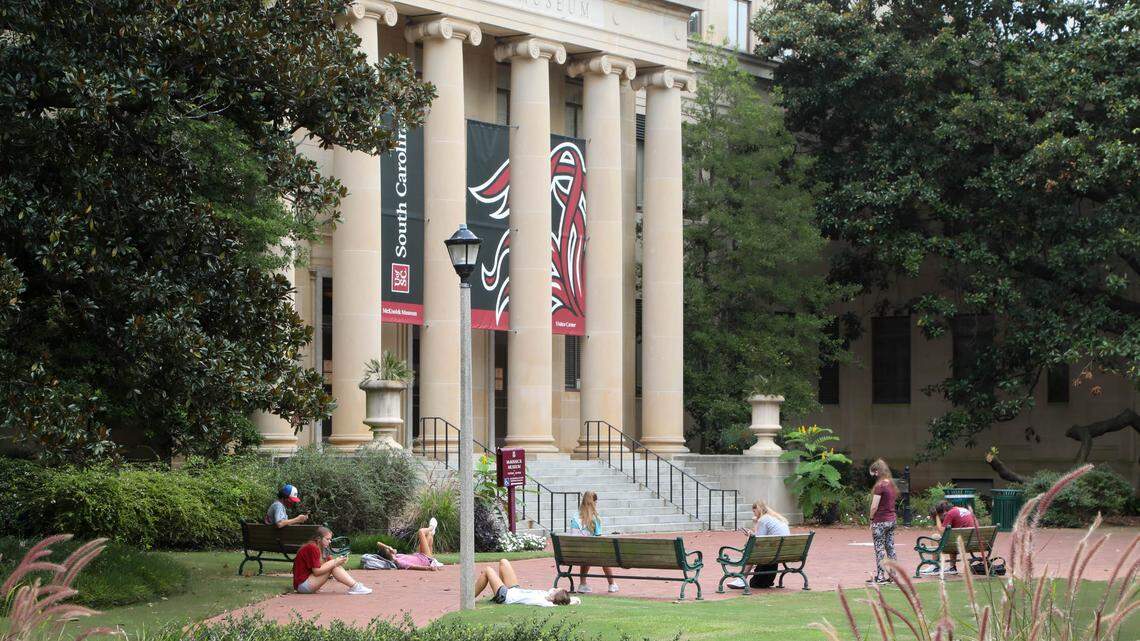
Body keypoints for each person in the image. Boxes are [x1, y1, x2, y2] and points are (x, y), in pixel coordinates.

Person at [727, 500, 791, 590]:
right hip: (785, 552)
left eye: (754, 511)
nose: (754, 514)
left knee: (751, 551)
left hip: (774, 551)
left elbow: (757, 540)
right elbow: (762, 537)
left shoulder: (763, 519)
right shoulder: (777, 518)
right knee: (753, 550)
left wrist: (752, 530)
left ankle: (741, 579)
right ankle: (742, 578)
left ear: (758, 510)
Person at [292, 526, 372, 595]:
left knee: (334, 564)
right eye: (327, 539)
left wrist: (340, 561)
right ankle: (355, 587)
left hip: (309, 581)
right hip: (302, 585)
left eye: (330, 539)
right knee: (334, 565)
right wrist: (335, 563)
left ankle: (355, 586)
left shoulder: (324, 548)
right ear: (319, 539)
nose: (330, 541)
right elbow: (317, 572)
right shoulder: (312, 547)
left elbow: (330, 565)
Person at [474, 558, 578, 607]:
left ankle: (468, 599)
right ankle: (497, 590)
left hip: (506, 596)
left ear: (553, 598)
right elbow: (571, 600)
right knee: (504, 562)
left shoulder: (544, 602)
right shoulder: (548, 595)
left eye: (555, 590)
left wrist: (564, 603)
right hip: (515, 590)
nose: (554, 589)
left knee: (487, 570)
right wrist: (570, 601)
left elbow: (556, 604)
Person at [568, 491, 617, 593]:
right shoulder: (595, 519)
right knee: (603, 555)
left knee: (586, 552)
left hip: (574, 553)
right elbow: (598, 539)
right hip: (589, 553)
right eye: (596, 502)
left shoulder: (575, 517)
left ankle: (582, 584)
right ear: (593, 502)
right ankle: (612, 584)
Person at [921, 500, 978, 575]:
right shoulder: (963, 509)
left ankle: (935, 566)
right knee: (953, 537)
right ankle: (952, 568)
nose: (942, 516)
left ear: (944, 511)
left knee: (935, 536)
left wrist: (937, 517)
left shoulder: (950, 513)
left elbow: (942, 532)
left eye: (940, 513)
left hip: (961, 544)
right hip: (973, 543)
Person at [867, 459, 899, 584]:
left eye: (874, 473)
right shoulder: (891, 484)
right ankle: (893, 575)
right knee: (890, 548)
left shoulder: (880, 486)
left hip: (880, 520)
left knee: (879, 549)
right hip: (891, 520)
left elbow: (874, 506)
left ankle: (880, 576)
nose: (873, 476)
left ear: (877, 471)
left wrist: (871, 519)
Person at [375, 517, 443, 571]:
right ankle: (432, 527)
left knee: (429, 535)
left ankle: (434, 561)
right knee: (421, 532)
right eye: (389, 550)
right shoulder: (398, 561)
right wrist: (428, 568)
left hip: (419, 555)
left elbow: (378, 543)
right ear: (389, 554)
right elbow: (412, 566)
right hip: (424, 559)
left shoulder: (397, 556)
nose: (391, 549)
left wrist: (388, 547)